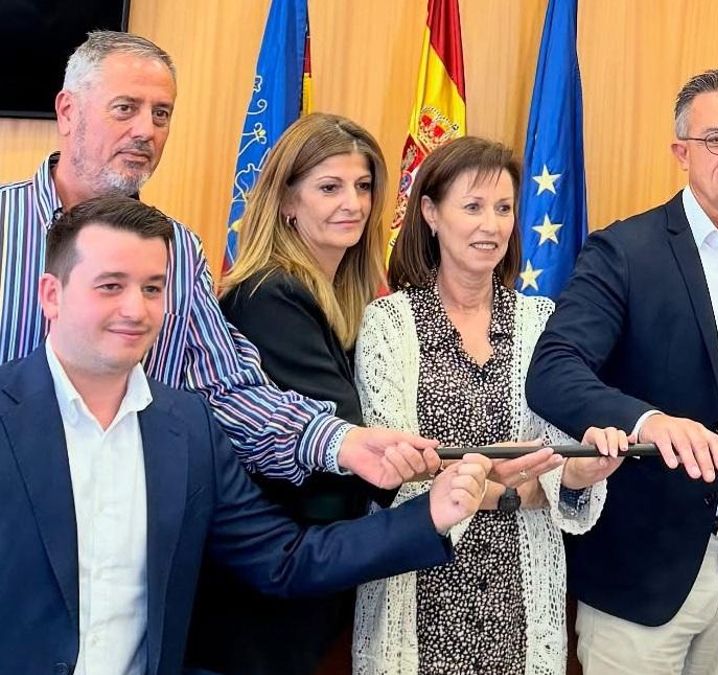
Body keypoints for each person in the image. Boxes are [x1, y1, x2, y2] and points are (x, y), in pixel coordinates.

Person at [0, 195, 495, 675]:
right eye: (111, 286)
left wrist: (429, 514)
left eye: (153, 289)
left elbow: (285, 560)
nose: (136, 309)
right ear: (51, 295)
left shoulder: (188, 428)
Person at [0, 31, 442, 490]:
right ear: (68, 111)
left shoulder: (180, 250)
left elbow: (227, 391)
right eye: (125, 108)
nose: (146, 131)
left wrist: (339, 441)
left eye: (161, 114)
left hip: (130, 503)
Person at [526, 68, 718, 674]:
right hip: (642, 568)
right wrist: (647, 422)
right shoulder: (624, 252)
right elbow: (552, 370)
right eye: (717, 138)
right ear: (681, 153)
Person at [352, 136, 625, 675]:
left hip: (520, 603)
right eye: (473, 207)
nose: (492, 225)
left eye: (503, 208)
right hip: (417, 589)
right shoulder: (388, 324)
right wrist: (518, 488)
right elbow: (395, 476)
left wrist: (575, 476)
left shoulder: (542, 323)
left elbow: (560, 467)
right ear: (430, 213)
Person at [184, 113, 395, 673]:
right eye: (329, 187)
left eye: (363, 186)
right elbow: (349, 436)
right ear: (286, 202)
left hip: (307, 588)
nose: (353, 203)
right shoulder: (268, 294)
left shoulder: (341, 298)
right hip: (258, 601)